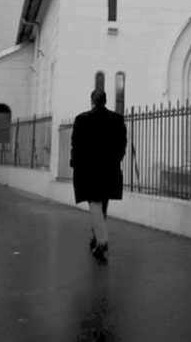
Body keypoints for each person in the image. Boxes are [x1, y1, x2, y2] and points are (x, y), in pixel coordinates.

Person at [70, 89, 127, 262]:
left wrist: (75, 164)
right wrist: (116, 159)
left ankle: (101, 241)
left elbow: (76, 146)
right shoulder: (117, 120)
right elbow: (122, 145)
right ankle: (96, 235)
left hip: (88, 169)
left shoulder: (82, 120)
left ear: (92, 101)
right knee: (103, 201)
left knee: (94, 202)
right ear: (106, 100)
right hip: (109, 168)